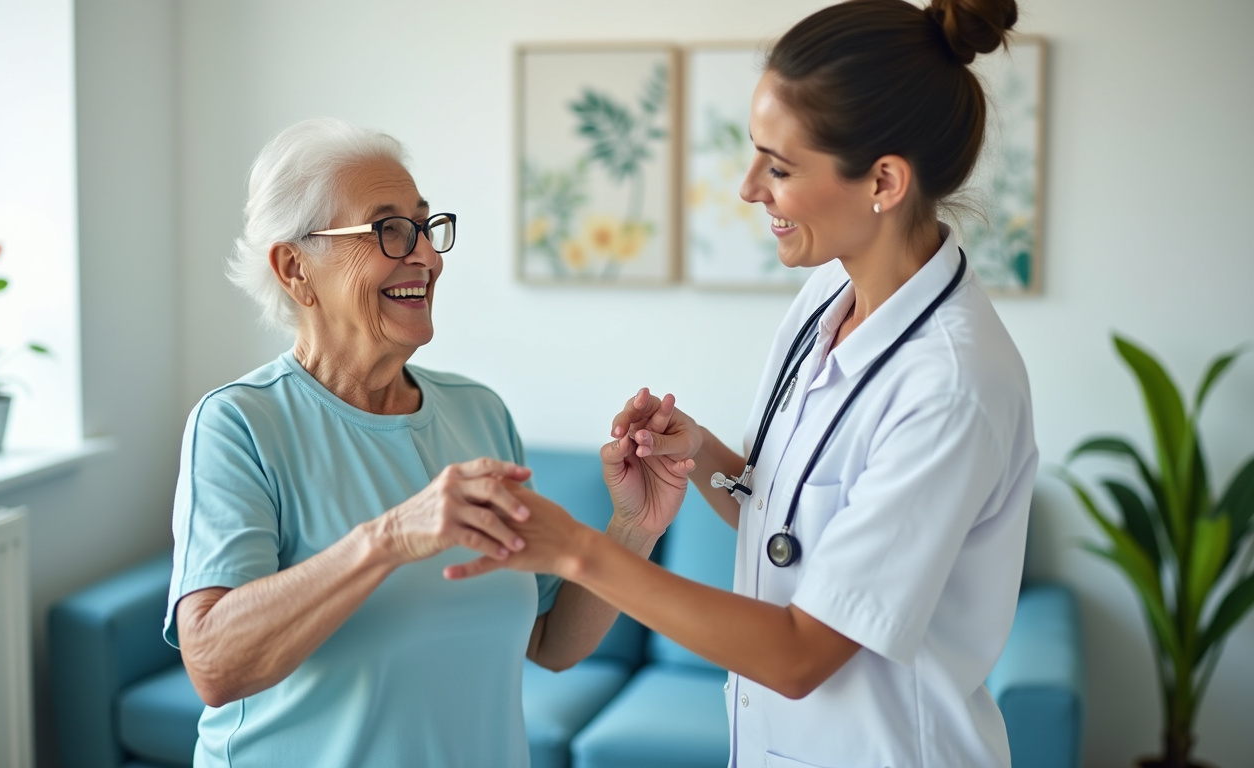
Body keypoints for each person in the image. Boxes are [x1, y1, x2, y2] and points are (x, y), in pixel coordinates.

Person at [449, 0, 1036, 765]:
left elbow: (799, 655)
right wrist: (701, 457)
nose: (749, 187)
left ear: (884, 181)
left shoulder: (951, 388)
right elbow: (795, 531)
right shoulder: (826, 299)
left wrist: (576, 552)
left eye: (779, 167)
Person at [164, 118, 667, 767]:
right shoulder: (239, 425)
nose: (428, 256)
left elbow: (550, 641)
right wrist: (391, 538)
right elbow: (214, 665)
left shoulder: (480, 413)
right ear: (295, 268)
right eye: (389, 230)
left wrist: (633, 526)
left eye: (426, 227)